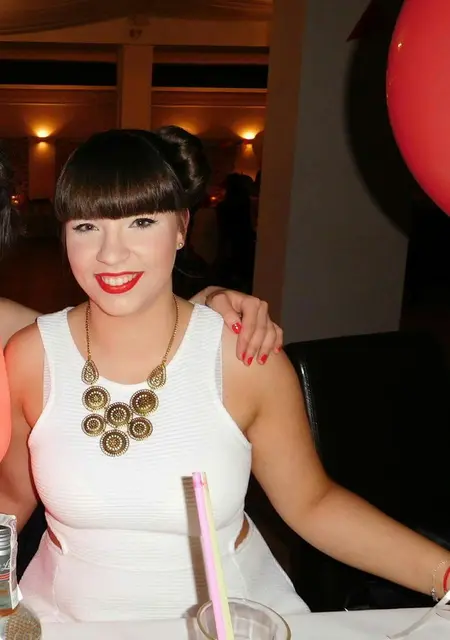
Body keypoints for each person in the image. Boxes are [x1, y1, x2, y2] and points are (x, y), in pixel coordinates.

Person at [2, 127, 449, 625]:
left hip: (229, 621)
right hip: (64, 621)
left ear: (181, 228)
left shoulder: (241, 358)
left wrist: (443, 573)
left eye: (142, 221)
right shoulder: (30, 357)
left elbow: (312, 502)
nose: (111, 253)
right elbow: (12, 497)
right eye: (87, 226)